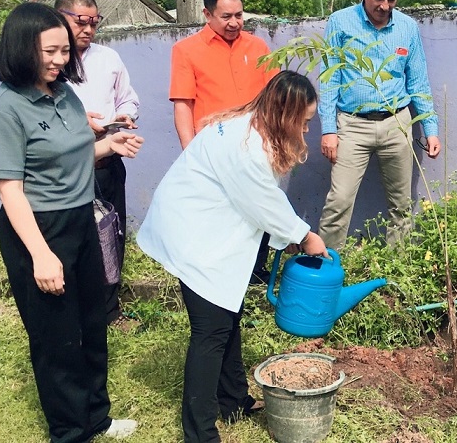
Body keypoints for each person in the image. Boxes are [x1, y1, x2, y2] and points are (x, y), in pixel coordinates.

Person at [0, 2, 144, 442]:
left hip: (81, 220)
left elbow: (72, 157)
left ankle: (97, 418)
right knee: (56, 338)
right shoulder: (6, 108)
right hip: (39, 229)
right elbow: (10, 190)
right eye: (49, 51)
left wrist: (109, 146)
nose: (59, 60)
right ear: (21, 48)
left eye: (64, 50)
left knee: (91, 325)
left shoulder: (65, 93)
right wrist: (41, 255)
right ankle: (70, 431)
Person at [137, 70, 327, 443]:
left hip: (205, 230)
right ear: (285, 115)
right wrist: (305, 237)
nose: (306, 130)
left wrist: (289, 232)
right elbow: (263, 201)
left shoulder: (250, 126)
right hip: (194, 237)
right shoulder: (246, 148)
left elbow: (262, 198)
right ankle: (200, 433)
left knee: (228, 316)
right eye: (303, 122)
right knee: (210, 333)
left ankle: (233, 400)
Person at [318, 0, 441, 249]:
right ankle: (326, 265)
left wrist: (430, 128)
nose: (385, 6)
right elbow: (329, 79)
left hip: (397, 123)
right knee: (339, 201)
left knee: (401, 204)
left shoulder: (407, 28)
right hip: (352, 126)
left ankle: (398, 264)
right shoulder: (340, 22)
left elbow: (418, 83)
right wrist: (328, 130)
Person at [170, 0, 280, 284]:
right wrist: (190, 152)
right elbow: (183, 105)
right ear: (207, 14)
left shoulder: (258, 47)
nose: (234, 23)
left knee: (260, 206)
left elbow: (275, 96)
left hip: (256, 145)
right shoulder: (186, 51)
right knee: (220, 212)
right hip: (213, 151)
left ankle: (256, 272)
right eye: (226, 16)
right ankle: (221, 272)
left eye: (239, 15)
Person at [55, 0, 140, 331]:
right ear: (60, 18)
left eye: (94, 22)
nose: (89, 29)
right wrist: (80, 123)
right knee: (74, 240)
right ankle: (74, 311)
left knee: (111, 235)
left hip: (108, 164)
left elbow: (128, 98)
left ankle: (109, 310)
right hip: (68, 170)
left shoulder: (108, 59)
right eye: (81, 21)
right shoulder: (48, 64)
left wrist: (124, 114)